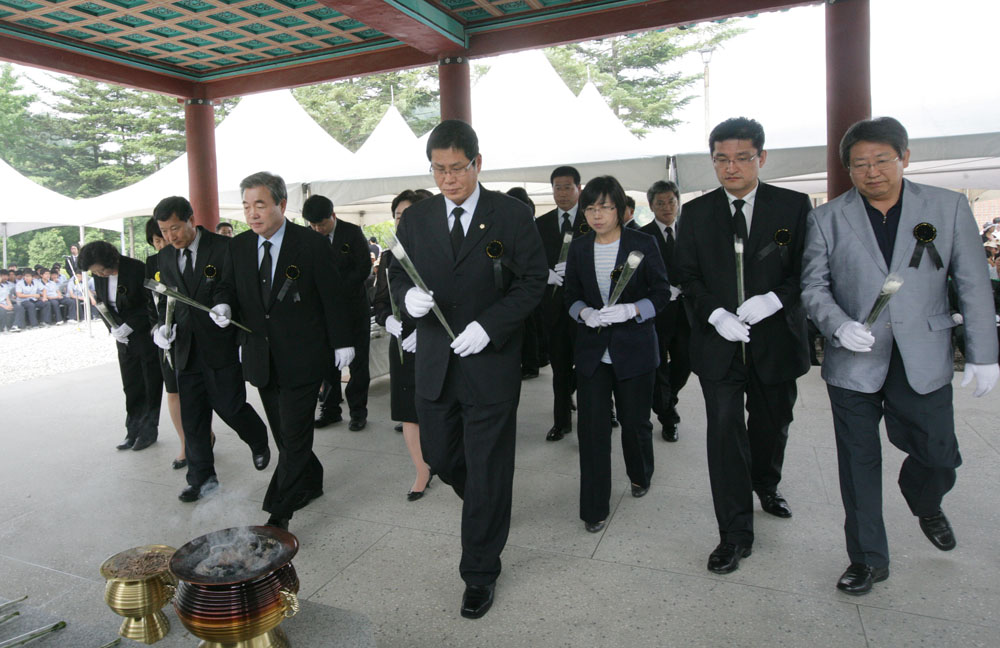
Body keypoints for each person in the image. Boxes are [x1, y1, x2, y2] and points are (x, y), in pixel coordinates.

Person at [800, 117, 999, 595]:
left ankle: (925, 501)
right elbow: (813, 286)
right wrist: (837, 325)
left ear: (904, 158)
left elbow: (972, 282)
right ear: (848, 169)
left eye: (881, 160)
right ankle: (868, 560)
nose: (871, 172)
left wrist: (983, 353)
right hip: (855, 360)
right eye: (859, 164)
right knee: (858, 464)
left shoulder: (947, 207)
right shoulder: (828, 218)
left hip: (923, 354)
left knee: (939, 454)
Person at [388, 120, 547, 619]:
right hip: (436, 363)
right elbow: (395, 270)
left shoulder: (511, 215)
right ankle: (485, 501)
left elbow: (533, 280)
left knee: (488, 468)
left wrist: (490, 325)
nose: (448, 179)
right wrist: (406, 299)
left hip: (489, 363)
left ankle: (479, 572)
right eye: (438, 170)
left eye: (457, 168)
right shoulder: (418, 219)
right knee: (440, 455)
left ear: (478, 163)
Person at [674, 117, 813, 575]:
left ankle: (765, 484)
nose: (730, 167)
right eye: (721, 159)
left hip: (776, 341)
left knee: (772, 424)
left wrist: (775, 299)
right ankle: (734, 534)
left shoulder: (793, 206)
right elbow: (687, 275)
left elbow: (807, 271)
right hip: (719, 345)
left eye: (741, 158)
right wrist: (716, 314)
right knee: (725, 434)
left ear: (761, 157)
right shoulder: (696, 213)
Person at [211, 171, 354, 531]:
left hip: (303, 356)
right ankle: (312, 479)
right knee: (286, 436)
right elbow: (227, 287)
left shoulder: (311, 244)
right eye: (246, 206)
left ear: (282, 204)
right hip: (261, 358)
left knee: (293, 436)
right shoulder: (238, 247)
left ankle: (279, 515)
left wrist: (343, 341)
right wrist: (223, 305)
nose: (252, 213)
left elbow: (334, 297)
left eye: (260, 204)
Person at [564, 175, 669, 533]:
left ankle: (640, 474)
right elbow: (570, 295)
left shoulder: (643, 243)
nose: (597, 215)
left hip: (634, 349)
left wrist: (632, 310)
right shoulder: (580, 247)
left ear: (621, 209)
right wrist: (584, 313)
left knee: (635, 422)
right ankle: (594, 507)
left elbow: (661, 293)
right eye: (590, 208)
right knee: (592, 430)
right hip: (593, 352)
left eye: (605, 208)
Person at [152, 199, 271, 502]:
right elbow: (166, 301)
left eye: (175, 228)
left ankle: (257, 438)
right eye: (164, 231)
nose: (171, 236)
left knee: (231, 407)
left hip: (219, 342)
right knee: (193, 419)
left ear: (191, 220)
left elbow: (233, 286)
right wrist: (161, 328)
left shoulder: (223, 248)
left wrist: (225, 305)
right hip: (185, 349)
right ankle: (202, 480)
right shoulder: (165, 257)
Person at [373, 189, 433, 500]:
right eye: (397, 216)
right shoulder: (389, 255)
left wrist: (428, 331)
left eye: (407, 216)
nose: (401, 222)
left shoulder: (440, 251)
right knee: (408, 410)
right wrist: (388, 321)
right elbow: (381, 302)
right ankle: (422, 470)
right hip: (402, 344)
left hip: (435, 342)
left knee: (438, 406)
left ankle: (444, 459)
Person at [78, 241, 161, 451]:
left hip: (144, 335)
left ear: (108, 260)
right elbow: (102, 303)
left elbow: (150, 304)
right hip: (123, 339)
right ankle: (132, 430)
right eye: (95, 272)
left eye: (100, 270)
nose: (99, 274)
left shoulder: (136, 269)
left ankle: (148, 431)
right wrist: (112, 328)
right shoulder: (99, 276)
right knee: (131, 385)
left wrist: (130, 325)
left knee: (149, 384)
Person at [302, 194, 373, 431]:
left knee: (358, 363)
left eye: (321, 224)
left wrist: (334, 289)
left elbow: (363, 268)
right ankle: (330, 409)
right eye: (312, 225)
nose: (317, 229)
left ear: (332, 215)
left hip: (353, 309)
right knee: (327, 363)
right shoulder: (308, 237)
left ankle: (358, 412)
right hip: (323, 313)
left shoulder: (351, 233)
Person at [535, 166, 586, 441]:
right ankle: (561, 421)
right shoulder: (540, 224)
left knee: (589, 366)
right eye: (557, 187)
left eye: (568, 187)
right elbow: (529, 259)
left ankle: (601, 412)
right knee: (560, 367)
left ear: (579, 188)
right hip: (553, 308)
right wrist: (544, 273)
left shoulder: (591, 219)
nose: (562, 193)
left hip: (586, 308)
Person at [640, 180, 691, 442]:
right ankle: (668, 417)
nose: (667, 207)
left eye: (671, 201)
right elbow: (633, 273)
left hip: (687, 310)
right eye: (660, 203)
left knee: (686, 360)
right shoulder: (642, 235)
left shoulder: (690, 232)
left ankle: (665, 398)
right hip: (657, 313)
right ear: (651, 206)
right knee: (658, 364)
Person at [143, 217, 188, 470]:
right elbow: (151, 302)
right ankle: (184, 443)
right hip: (166, 335)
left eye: (164, 238)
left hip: (189, 331)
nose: (163, 244)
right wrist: (157, 329)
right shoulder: (152, 263)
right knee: (173, 390)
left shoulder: (187, 256)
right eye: (156, 240)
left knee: (196, 390)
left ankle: (204, 435)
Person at [506, 187, 542, 381]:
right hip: (520, 283)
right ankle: (531, 362)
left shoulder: (522, 219)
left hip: (523, 283)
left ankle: (531, 364)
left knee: (528, 327)